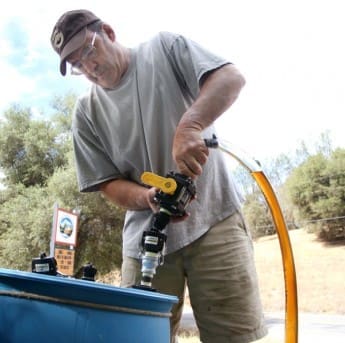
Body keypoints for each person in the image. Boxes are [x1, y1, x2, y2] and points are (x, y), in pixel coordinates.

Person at [51, 9, 268, 343]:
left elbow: (230, 77)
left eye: (89, 50)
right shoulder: (86, 112)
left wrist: (191, 124)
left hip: (215, 220)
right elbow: (106, 182)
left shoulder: (163, 49)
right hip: (145, 241)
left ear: (108, 32)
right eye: (77, 64)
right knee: (137, 338)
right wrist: (146, 197)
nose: (88, 67)